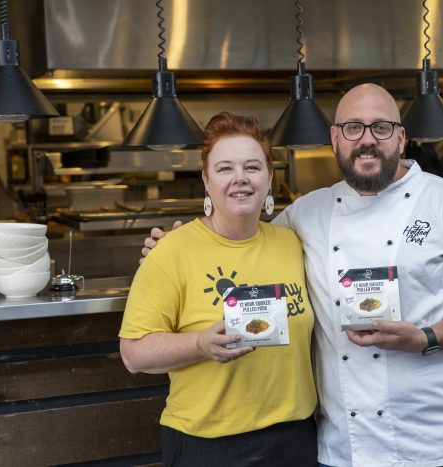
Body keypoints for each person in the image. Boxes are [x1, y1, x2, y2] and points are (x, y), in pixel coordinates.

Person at [142, 84, 443, 467]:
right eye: (353, 128)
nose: (367, 140)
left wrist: (425, 337)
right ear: (335, 138)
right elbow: (243, 237)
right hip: (346, 446)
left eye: (381, 128)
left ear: (402, 138)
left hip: (440, 440)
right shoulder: (308, 213)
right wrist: (180, 242)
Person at [120, 112, 318, 467]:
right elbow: (133, 354)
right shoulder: (172, 250)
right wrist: (200, 344)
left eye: (253, 168)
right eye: (225, 168)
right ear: (206, 180)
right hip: (207, 445)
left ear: (270, 179)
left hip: (295, 438)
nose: (240, 179)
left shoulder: (292, 243)